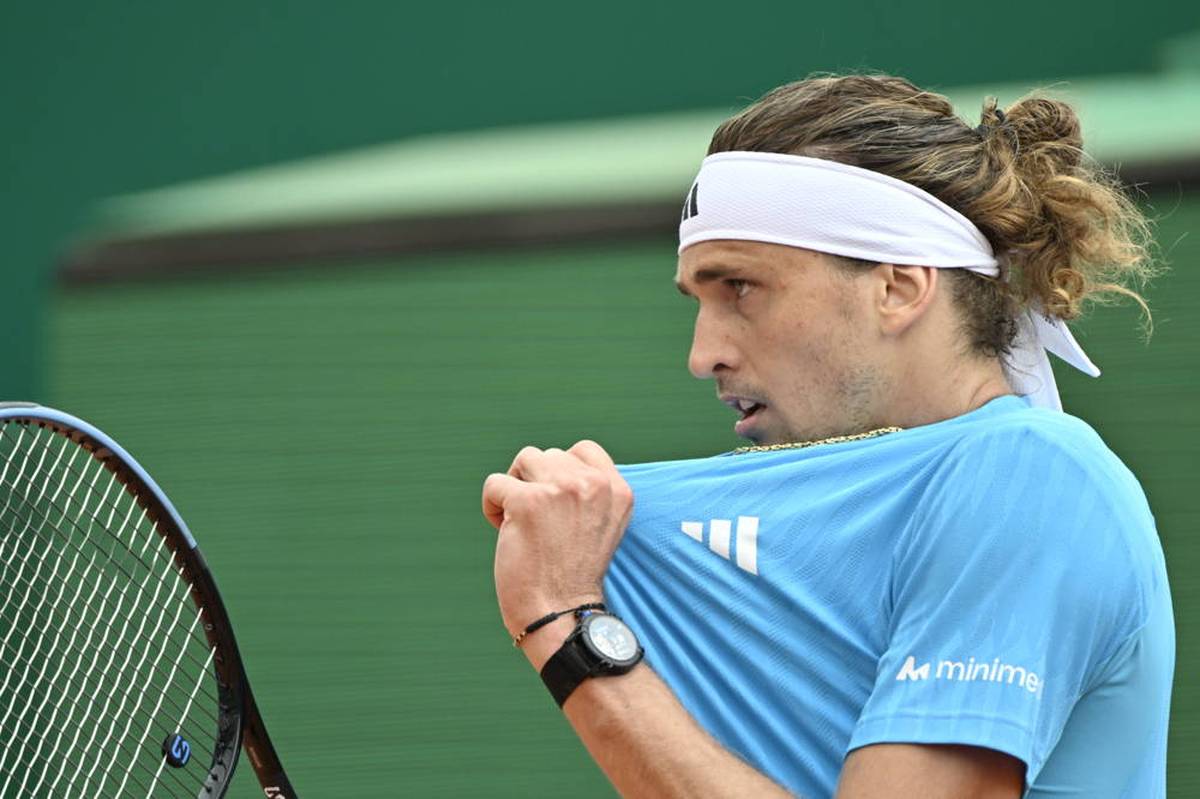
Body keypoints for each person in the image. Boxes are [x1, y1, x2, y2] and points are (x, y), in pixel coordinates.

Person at [481, 74, 1173, 798]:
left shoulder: (1031, 477)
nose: (702, 354)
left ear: (898, 287)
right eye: (699, 301)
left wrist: (566, 622)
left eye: (740, 288)